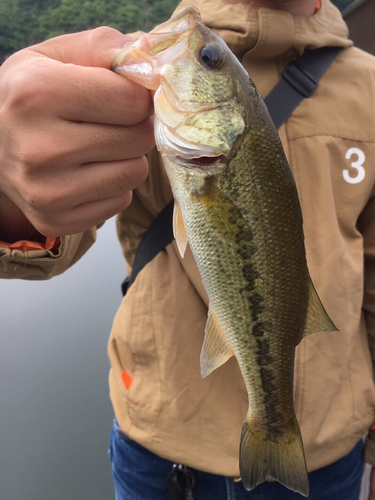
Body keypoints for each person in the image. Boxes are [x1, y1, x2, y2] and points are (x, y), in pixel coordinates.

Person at [0, 0, 374, 498]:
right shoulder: (146, 68)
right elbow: (53, 238)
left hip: (329, 449)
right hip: (163, 449)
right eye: (210, 61)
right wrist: (10, 187)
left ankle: (272, 425)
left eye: (209, 61)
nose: (199, 54)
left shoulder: (369, 85)